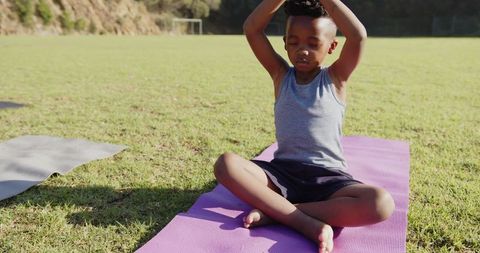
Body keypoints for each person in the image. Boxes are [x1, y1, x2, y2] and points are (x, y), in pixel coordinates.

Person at [213, 1, 395, 252]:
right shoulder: (280, 75)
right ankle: (305, 223)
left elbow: (358, 36)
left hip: (328, 180)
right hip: (281, 175)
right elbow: (252, 29)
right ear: (285, 43)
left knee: (380, 203)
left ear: (331, 46)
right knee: (226, 164)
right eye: (294, 42)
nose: (303, 50)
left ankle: (278, 212)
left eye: (313, 43)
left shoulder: (336, 78)